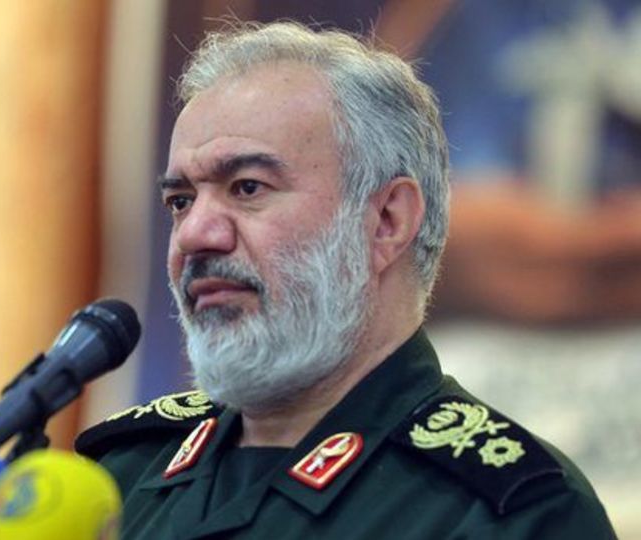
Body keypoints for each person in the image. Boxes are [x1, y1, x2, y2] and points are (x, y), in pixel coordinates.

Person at [75, 21, 616, 539]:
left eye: (247, 187)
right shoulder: (119, 478)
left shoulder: (510, 515)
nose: (194, 234)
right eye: (180, 201)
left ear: (387, 221)